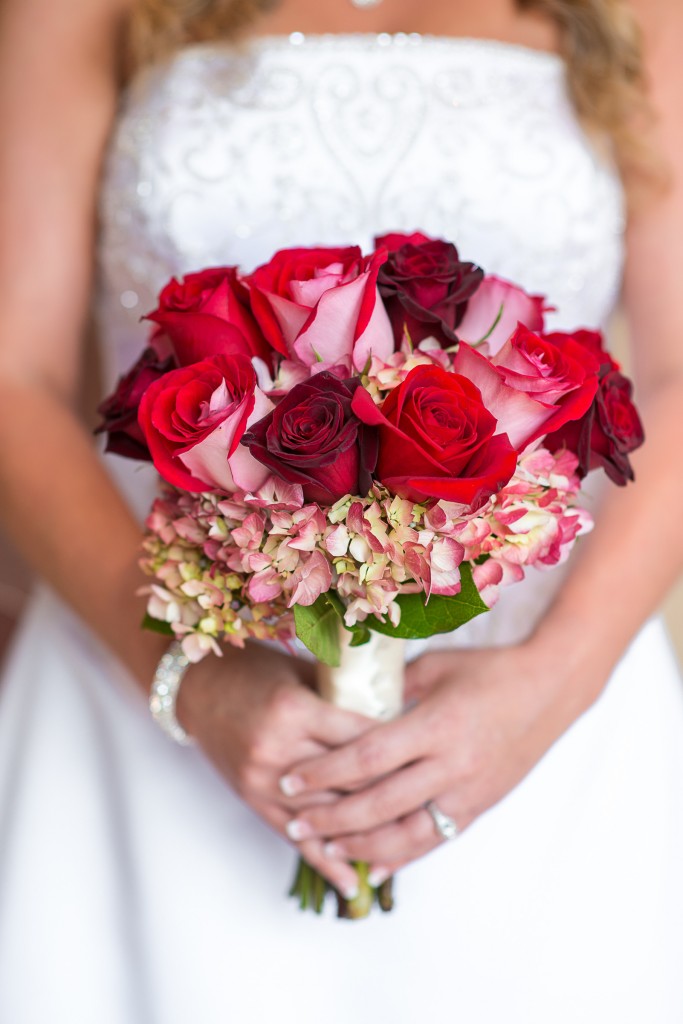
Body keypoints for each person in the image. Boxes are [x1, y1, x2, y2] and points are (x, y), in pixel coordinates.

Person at [1, 0, 682, 1020]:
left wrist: (551, 682)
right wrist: (190, 679)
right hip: (137, 702)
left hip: (543, 732)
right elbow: (14, 374)